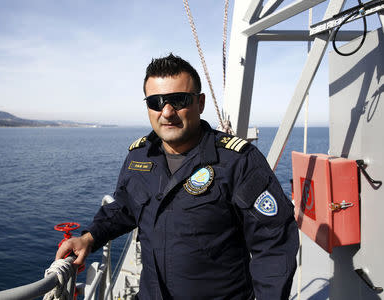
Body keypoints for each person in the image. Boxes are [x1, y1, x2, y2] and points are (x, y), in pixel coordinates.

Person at [56, 53, 299, 299]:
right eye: (156, 102)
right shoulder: (139, 157)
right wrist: (89, 237)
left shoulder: (238, 161)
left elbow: (274, 244)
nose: (167, 111)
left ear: (200, 103)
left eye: (179, 100)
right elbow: (124, 208)